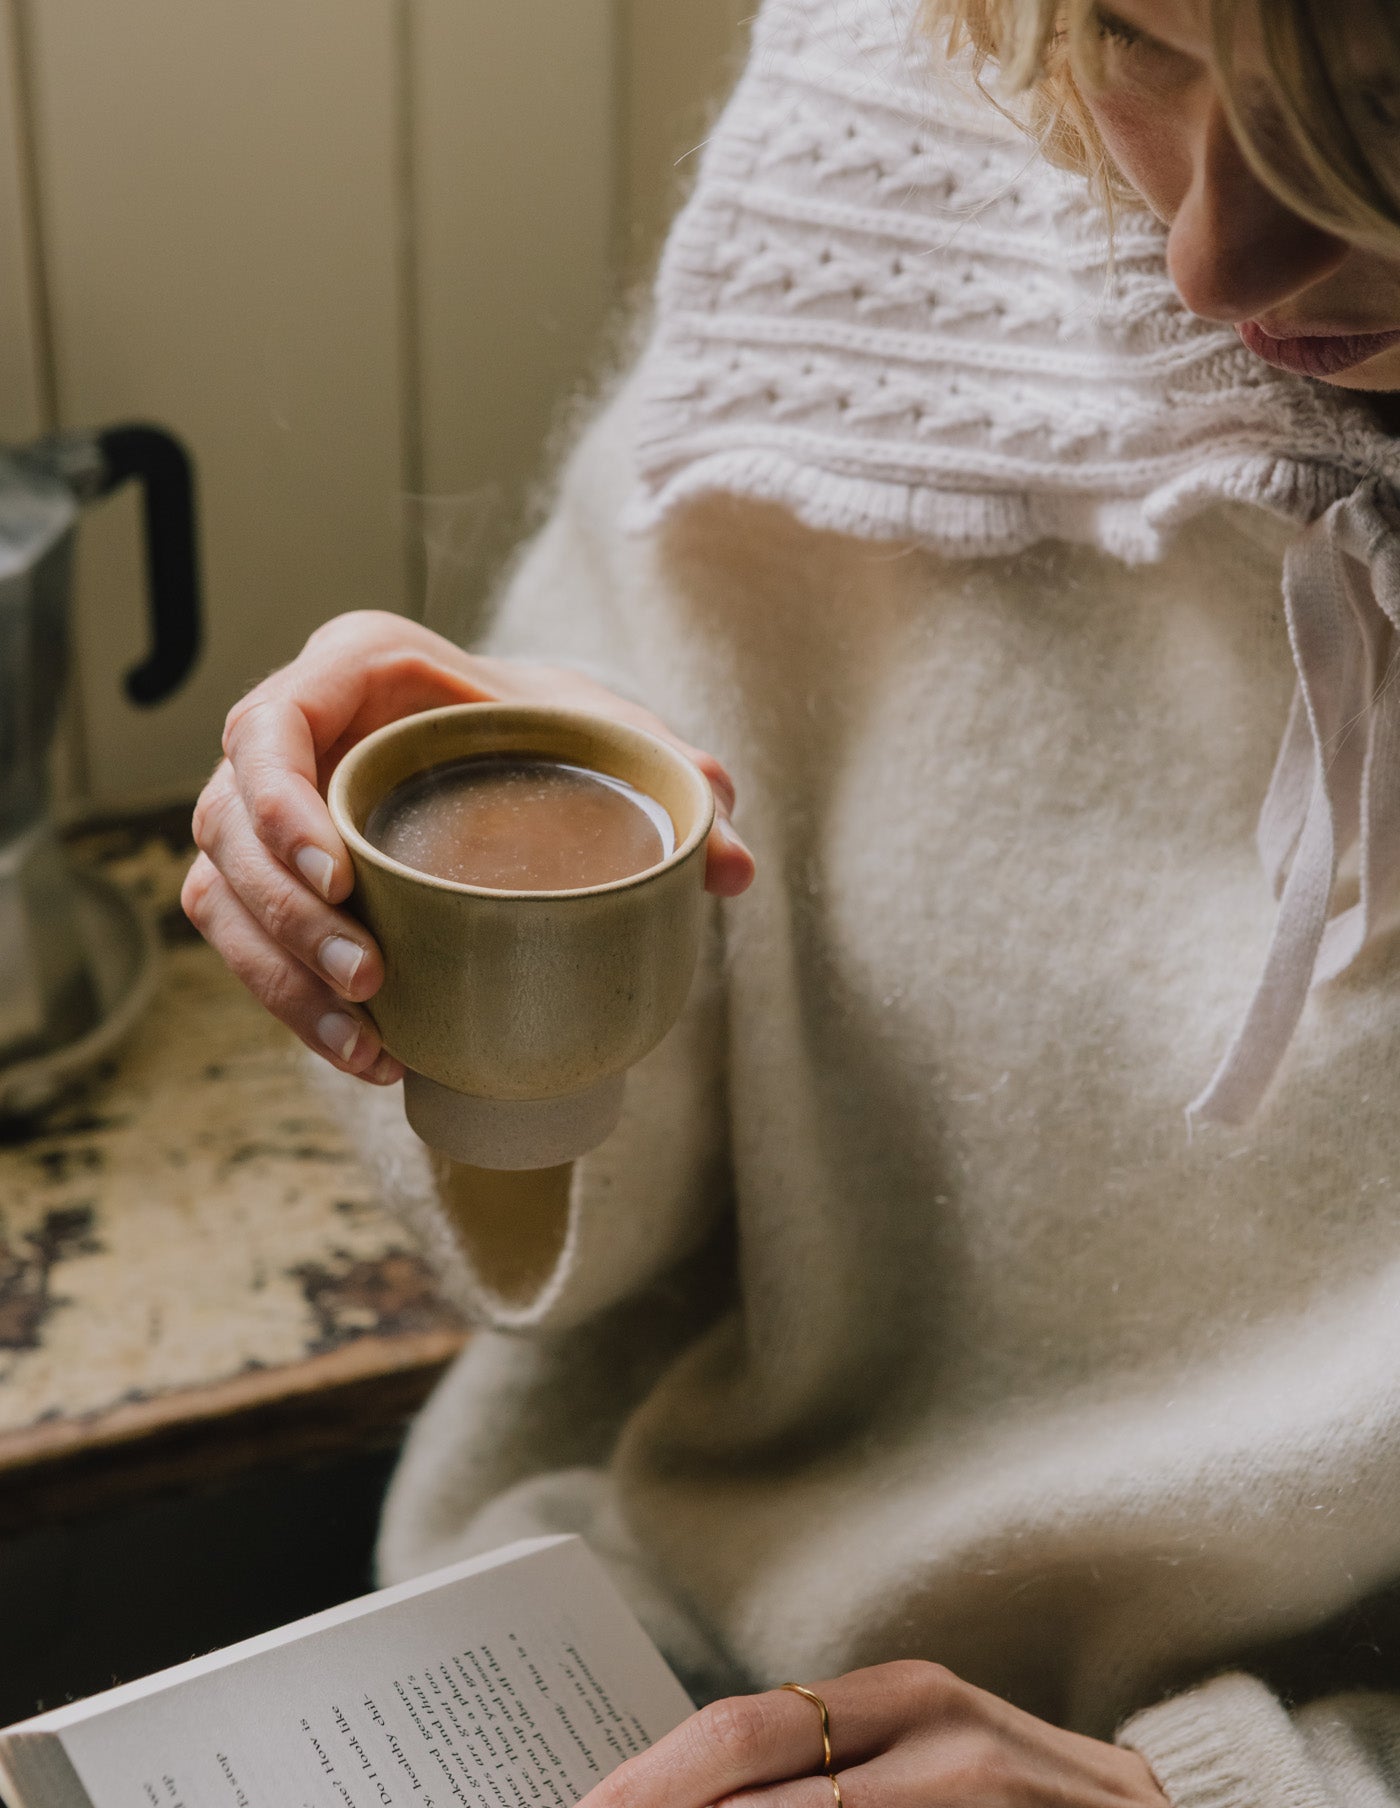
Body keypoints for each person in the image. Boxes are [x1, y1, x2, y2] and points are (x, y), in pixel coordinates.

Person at [184, 0, 1400, 1800]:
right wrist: (493, 925)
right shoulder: (887, 191)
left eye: (1379, 114)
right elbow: (586, 1221)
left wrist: (1201, 1794)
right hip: (622, 1672)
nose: (1213, 249)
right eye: (1147, 41)